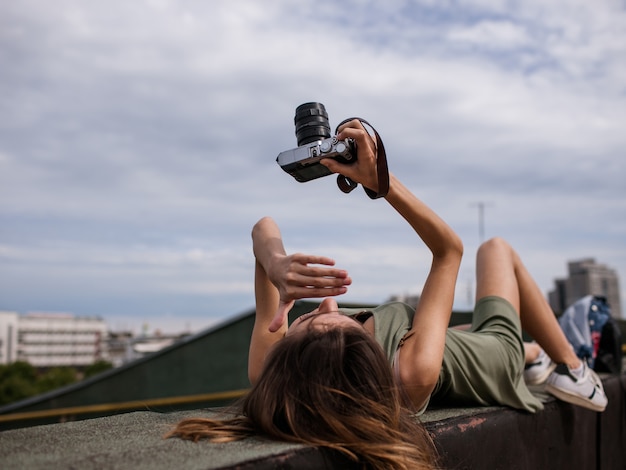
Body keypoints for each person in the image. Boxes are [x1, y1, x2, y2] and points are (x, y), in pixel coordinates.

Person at [167, 120, 607, 469]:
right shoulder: (410, 373)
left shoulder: (275, 373)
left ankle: (536, 353)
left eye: (310, 320)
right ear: (371, 358)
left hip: (444, 341)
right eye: (335, 320)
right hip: (492, 356)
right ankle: (570, 370)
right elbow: (449, 250)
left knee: (456, 331)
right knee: (495, 250)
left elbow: (263, 227)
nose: (328, 302)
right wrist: (381, 181)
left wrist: (277, 264)